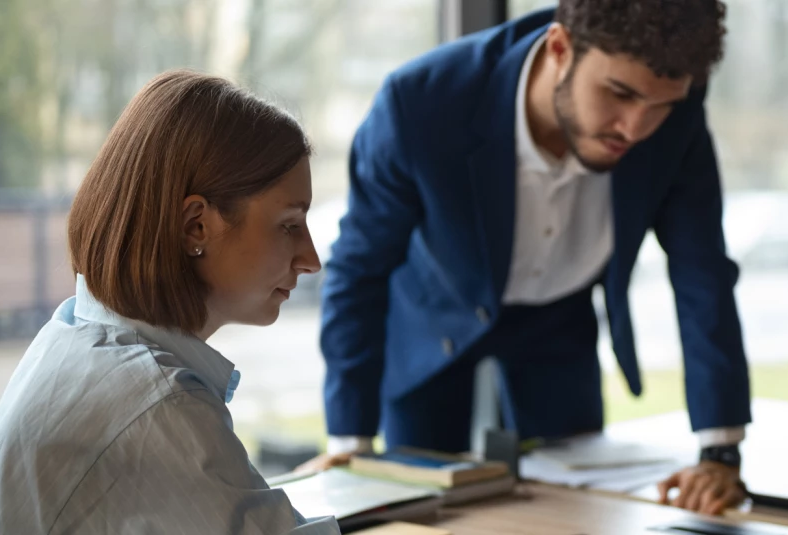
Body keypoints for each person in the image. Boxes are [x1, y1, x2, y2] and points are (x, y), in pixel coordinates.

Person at [301, 0, 752, 515]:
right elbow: (359, 271)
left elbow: (702, 272)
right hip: (434, 316)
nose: (635, 128)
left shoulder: (677, 111)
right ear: (560, 48)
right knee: (418, 508)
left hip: (560, 322)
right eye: (619, 93)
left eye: (661, 105)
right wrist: (351, 443)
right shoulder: (421, 102)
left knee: (574, 511)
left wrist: (720, 451)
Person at [0, 70, 336, 534]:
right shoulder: (161, 407)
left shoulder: (72, 334)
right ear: (195, 226)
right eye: (289, 226)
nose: (311, 260)